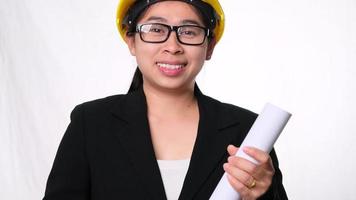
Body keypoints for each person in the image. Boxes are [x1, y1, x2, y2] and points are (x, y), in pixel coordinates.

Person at [43, 0, 288, 199]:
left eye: (189, 32)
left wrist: (266, 194)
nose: (173, 46)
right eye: (156, 30)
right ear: (132, 41)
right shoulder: (91, 123)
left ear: (209, 46)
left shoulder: (249, 131)